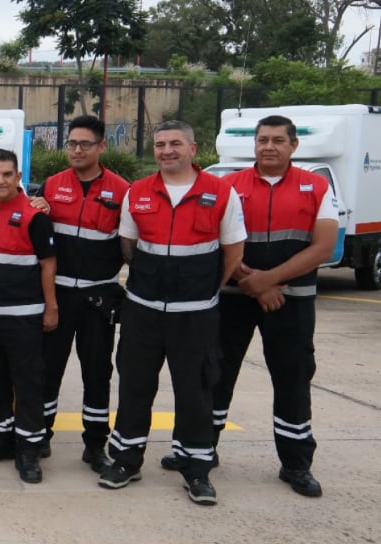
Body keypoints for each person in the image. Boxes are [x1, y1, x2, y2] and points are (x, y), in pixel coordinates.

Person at [160, 115, 336, 498]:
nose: (268, 146)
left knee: (292, 378)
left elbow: (323, 247)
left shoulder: (316, 187)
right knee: (214, 375)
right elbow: (212, 238)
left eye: (277, 140)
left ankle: (295, 464)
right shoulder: (228, 186)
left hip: (291, 302)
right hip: (233, 298)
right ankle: (201, 450)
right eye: (262, 140)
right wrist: (249, 282)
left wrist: (268, 281)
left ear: (294, 145)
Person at [100, 120, 246, 507]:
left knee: (196, 389)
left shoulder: (221, 193)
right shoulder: (138, 192)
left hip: (195, 314)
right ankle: (126, 460)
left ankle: (195, 468)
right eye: (161, 144)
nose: (167, 150)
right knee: (134, 384)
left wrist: (207, 289)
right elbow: (128, 245)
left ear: (193, 149)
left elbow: (233, 251)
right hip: (143, 311)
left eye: (175, 143)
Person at [30, 115, 130, 473]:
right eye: (72, 143)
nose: (76, 150)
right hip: (57, 297)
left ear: (101, 147)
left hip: (98, 300)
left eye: (84, 144)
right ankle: (40, 438)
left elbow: (130, 246)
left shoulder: (122, 191)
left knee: (97, 373)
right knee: (47, 370)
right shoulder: (51, 186)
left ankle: (95, 445)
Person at [0, 149, 57, 484]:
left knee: (28, 383)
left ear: (18, 177)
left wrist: (51, 307)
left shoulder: (35, 215)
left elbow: (48, 264)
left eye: (7, 174)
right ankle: (2, 438)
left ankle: (30, 448)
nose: (0, 180)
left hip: (23, 316)